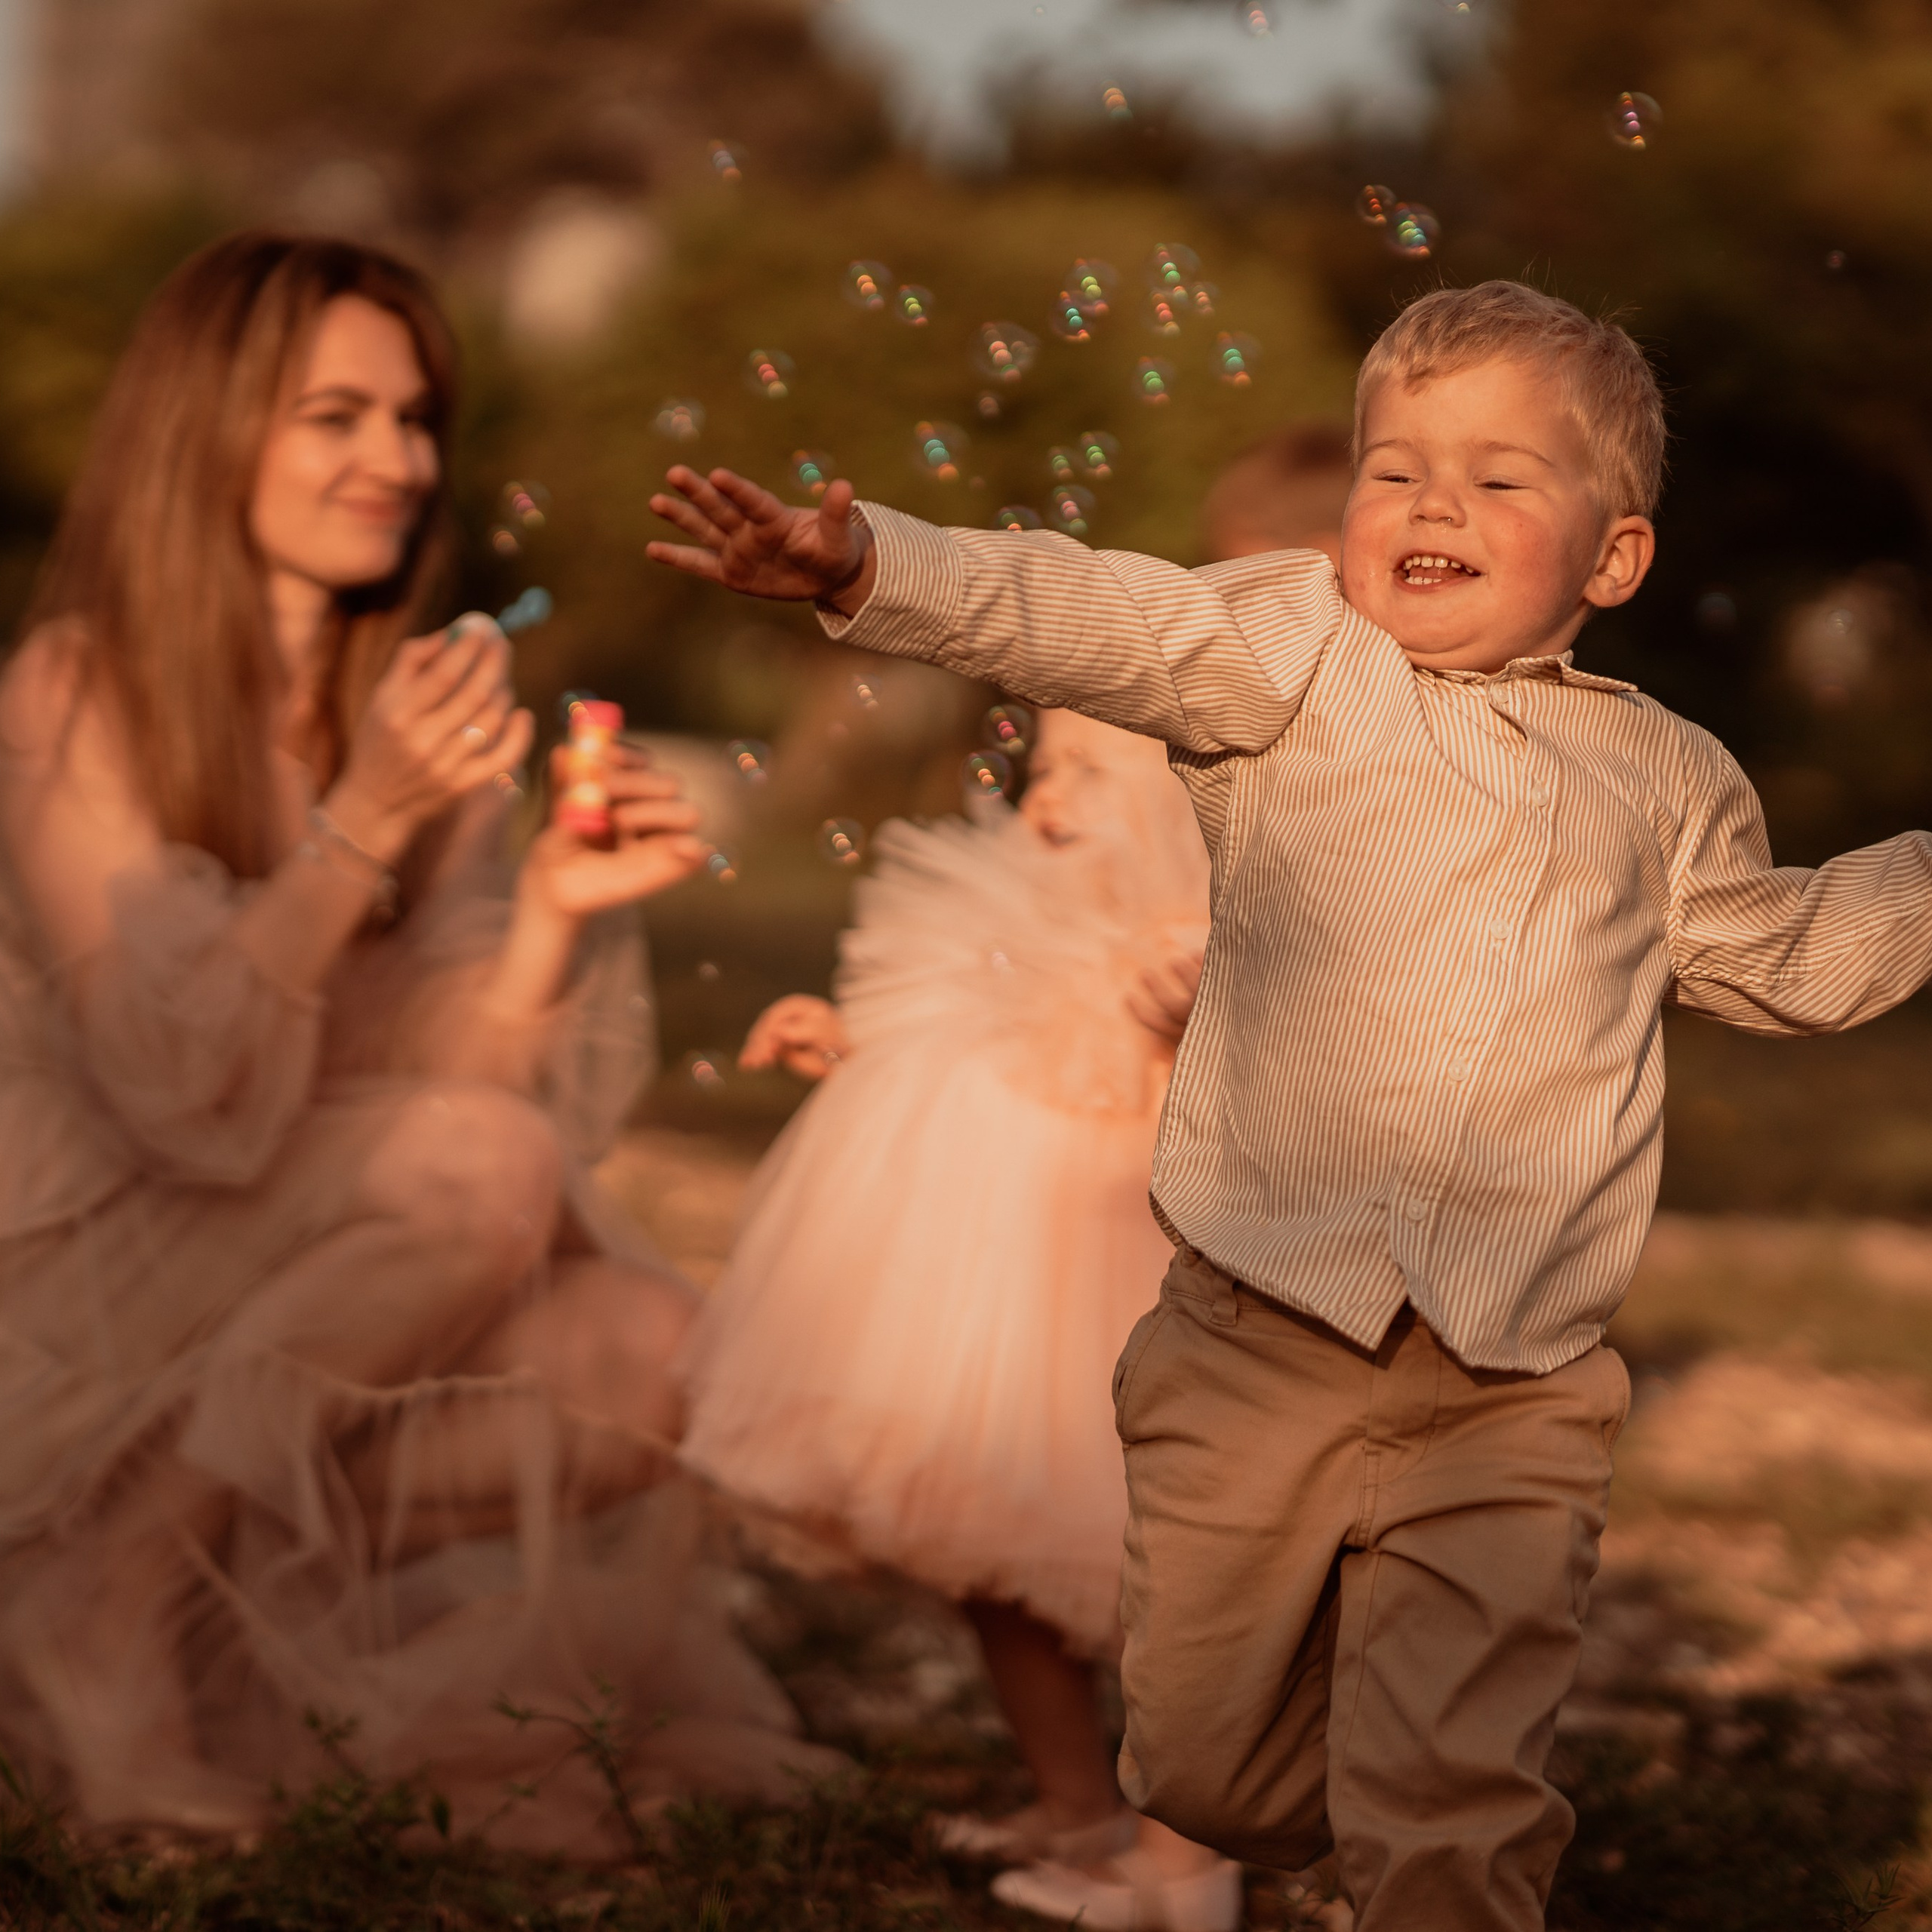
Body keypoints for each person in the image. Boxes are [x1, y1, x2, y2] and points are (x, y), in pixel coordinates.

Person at [645, 279, 1932, 1930]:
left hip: (1511, 1377)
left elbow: (1787, 953)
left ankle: (1430, 1830)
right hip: (1255, 1334)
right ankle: (1330, 1778)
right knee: (1197, 1766)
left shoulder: (1669, 777)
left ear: (1612, 557)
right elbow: (1092, 615)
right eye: (1392, 470)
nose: (1430, 504)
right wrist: (872, 564)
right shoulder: (1291, 657)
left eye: (1495, 475)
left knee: (1454, 1808)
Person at [0, 231, 835, 1849]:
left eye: (414, 415)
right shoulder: (71, 691)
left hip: (288, 1280)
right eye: (336, 414)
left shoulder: (416, 705)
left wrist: (544, 914)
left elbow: (444, 1109)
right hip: (80, 1268)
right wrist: (358, 823)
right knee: (479, 1168)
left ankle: (164, 1587)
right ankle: (98, 1596)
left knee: (662, 1360)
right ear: (210, 427)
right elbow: (167, 1081)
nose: (396, 457)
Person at [678, 439, 1349, 1932]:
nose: (1046, 800)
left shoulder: (1224, 916)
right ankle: (1071, 1799)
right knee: (981, 1561)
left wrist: (1195, 1019)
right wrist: (849, 1046)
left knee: (1170, 1591)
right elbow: (966, 1030)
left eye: (1088, 773)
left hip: (1120, 1309)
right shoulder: (1022, 899)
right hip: (983, 1313)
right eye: (1040, 763)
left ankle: (1188, 1857)